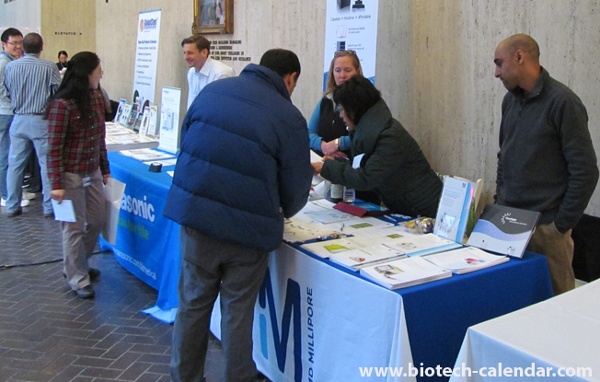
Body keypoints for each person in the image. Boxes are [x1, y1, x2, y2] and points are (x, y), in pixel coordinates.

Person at [164, 49, 313, 382]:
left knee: (192, 303)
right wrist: (286, 209)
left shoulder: (213, 91)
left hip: (197, 219)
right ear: (290, 79)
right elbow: (296, 185)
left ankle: (184, 376)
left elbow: (186, 143)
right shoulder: (288, 116)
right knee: (237, 310)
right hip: (247, 231)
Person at [493, 34, 599, 295]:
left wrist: (559, 226)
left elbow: (585, 171)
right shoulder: (509, 101)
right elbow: (503, 156)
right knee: (509, 307)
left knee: (554, 311)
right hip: (507, 226)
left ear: (520, 57)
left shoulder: (563, 103)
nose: (496, 73)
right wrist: (499, 203)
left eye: (499, 63)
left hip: (546, 229)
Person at [312, 75, 442, 218]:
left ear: (355, 109)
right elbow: (362, 166)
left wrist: (326, 168)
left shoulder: (389, 136)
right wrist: (334, 163)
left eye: (342, 109)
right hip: (405, 208)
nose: (341, 115)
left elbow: (366, 178)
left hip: (425, 212)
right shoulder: (367, 133)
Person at [46, 51, 111, 299]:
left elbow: (99, 138)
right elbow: (53, 148)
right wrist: (56, 183)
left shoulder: (96, 97)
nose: (101, 73)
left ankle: (76, 263)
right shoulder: (62, 105)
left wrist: (105, 169)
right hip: (69, 176)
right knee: (73, 229)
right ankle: (77, 277)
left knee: (96, 220)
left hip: (92, 171)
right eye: (98, 69)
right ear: (87, 74)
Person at [3, 32, 61, 217]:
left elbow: (7, 91)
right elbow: (57, 92)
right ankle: (49, 207)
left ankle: (12, 204)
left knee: (15, 165)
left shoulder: (11, 67)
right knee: (46, 164)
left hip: (18, 119)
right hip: (40, 120)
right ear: (42, 47)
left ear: (23, 47)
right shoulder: (49, 67)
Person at [1, 27, 34, 209]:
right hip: (6, 113)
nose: (18, 47)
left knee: (15, 155)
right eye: (14, 43)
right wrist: (15, 101)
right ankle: (7, 194)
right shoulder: (4, 64)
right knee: (7, 155)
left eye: (21, 43)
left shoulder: (12, 61)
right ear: (4, 44)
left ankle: (14, 190)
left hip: (12, 113)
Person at [308, 50, 363, 158]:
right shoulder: (326, 101)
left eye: (347, 70)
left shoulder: (364, 101)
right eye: (337, 70)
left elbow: (365, 135)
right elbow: (309, 133)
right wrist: (324, 147)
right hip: (323, 161)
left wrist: (337, 144)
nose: (342, 75)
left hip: (350, 164)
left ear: (357, 72)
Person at [181, 34, 235, 109]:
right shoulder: (191, 72)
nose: (185, 57)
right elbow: (191, 104)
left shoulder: (222, 74)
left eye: (190, 53)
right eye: (184, 53)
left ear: (204, 52)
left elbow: (222, 108)